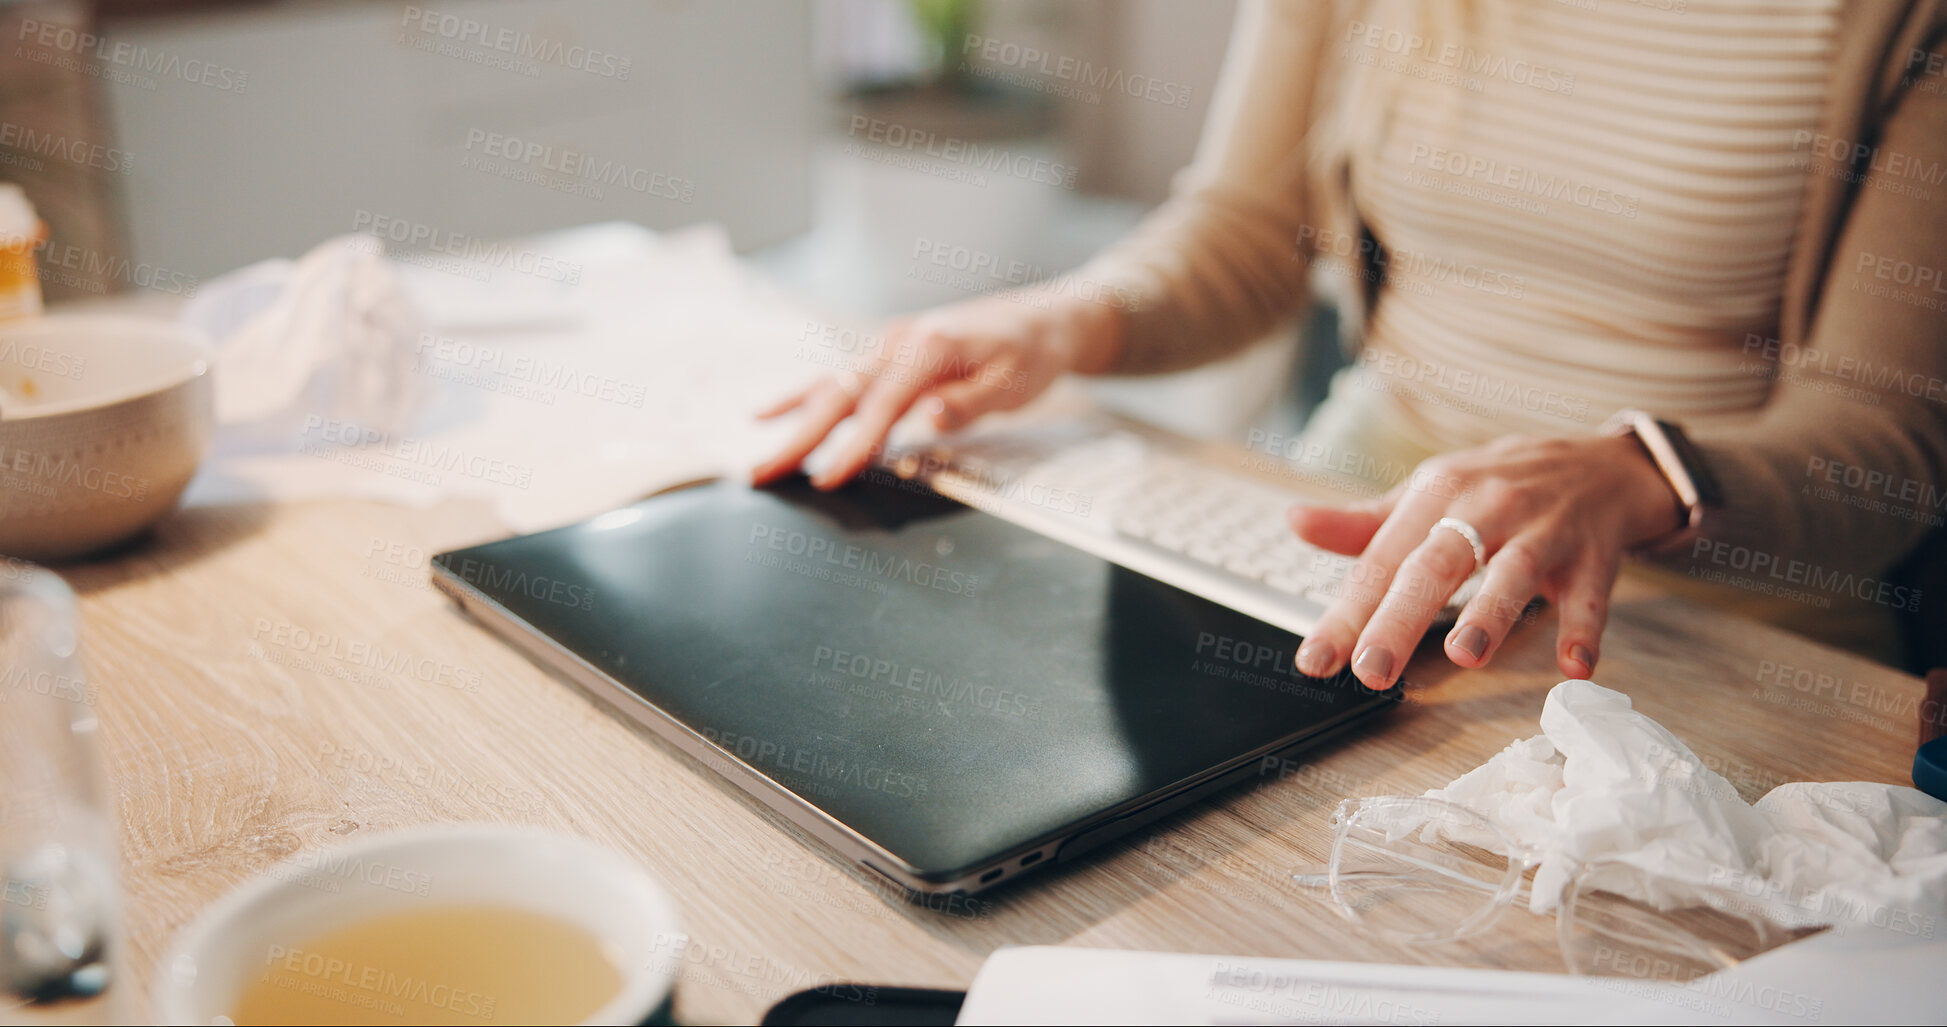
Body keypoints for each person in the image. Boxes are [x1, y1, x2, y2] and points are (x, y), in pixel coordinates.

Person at [754, 0, 1947, 690]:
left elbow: (1887, 443)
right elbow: (1247, 232)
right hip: (1356, 515)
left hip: (1718, 610)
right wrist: (1062, 315)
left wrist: (1645, 472)